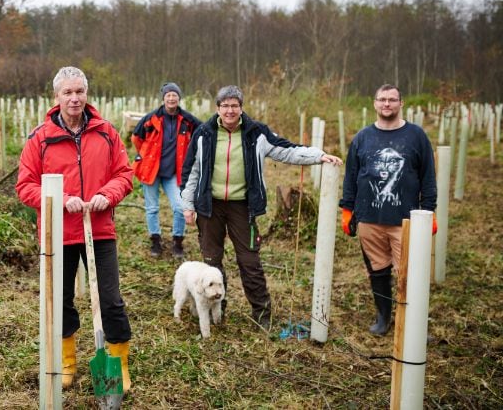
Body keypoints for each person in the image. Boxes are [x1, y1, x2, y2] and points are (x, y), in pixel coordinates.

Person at [180, 85, 342, 330]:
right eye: (225, 106)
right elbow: (191, 171)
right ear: (218, 108)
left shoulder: (256, 133)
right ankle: (216, 307)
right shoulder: (204, 133)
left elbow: (286, 150)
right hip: (209, 206)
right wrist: (188, 205)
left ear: (241, 108)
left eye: (235, 105)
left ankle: (262, 312)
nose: (230, 110)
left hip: (242, 206)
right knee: (212, 260)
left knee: (249, 260)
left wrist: (318, 156)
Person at [16, 66, 134, 391]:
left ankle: (117, 365)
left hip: (99, 231)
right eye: (67, 92)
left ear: (86, 94)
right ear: (56, 97)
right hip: (58, 234)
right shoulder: (40, 138)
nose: (74, 98)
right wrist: (60, 198)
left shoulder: (106, 133)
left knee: (110, 300)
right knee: (61, 300)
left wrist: (105, 195)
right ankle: (67, 363)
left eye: (79, 91)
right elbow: (25, 186)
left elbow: (124, 174)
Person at [340, 84, 437, 336]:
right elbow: (351, 176)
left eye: (392, 100)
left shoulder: (416, 136)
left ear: (401, 103)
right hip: (369, 219)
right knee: (377, 271)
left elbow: (428, 177)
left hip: (404, 220)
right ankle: (383, 318)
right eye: (382, 99)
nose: (387, 104)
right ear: (374, 103)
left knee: (410, 273)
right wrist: (347, 210)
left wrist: (429, 212)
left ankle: (415, 323)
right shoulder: (363, 137)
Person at [132, 82, 201, 258]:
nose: (171, 98)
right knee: (152, 208)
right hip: (151, 171)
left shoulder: (187, 120)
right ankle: (155, 240)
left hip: (174, 173)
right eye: (168, 95)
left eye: (174, 95)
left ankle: (178, 241)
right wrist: (147, 154)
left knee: (179, 207)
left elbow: (202, 133)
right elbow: (136, 138)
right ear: (163, 98)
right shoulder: (151, 118)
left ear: (179, 98)